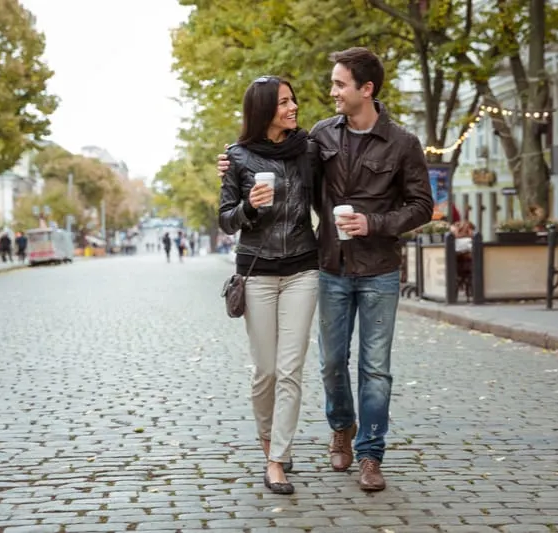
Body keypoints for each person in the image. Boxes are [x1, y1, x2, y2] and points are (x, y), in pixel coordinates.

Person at [217, 48, 433, 491]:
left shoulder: (402, 143)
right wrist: (233, 165)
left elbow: (422, 206)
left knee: (375, 367)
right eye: (333, 83)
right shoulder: (320, 136)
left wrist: (374, 223)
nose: (330, 91)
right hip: (328, 265)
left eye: (338, 84)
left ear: (365, 89)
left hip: (373, 268)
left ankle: (370, 455)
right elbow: (266, 161)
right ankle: (341, 428)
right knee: (330, 364)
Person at [219, 75, 320, 496]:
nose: (293, 107)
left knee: (291, 369)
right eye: (283, 102)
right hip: (257, 271)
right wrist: (247, 208)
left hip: (302, 268)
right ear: (263, 110)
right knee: (266, 371)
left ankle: (277, 459)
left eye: (293, 100)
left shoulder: (309, 150)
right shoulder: (237, 157)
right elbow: (225, 220)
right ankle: (267, 439)